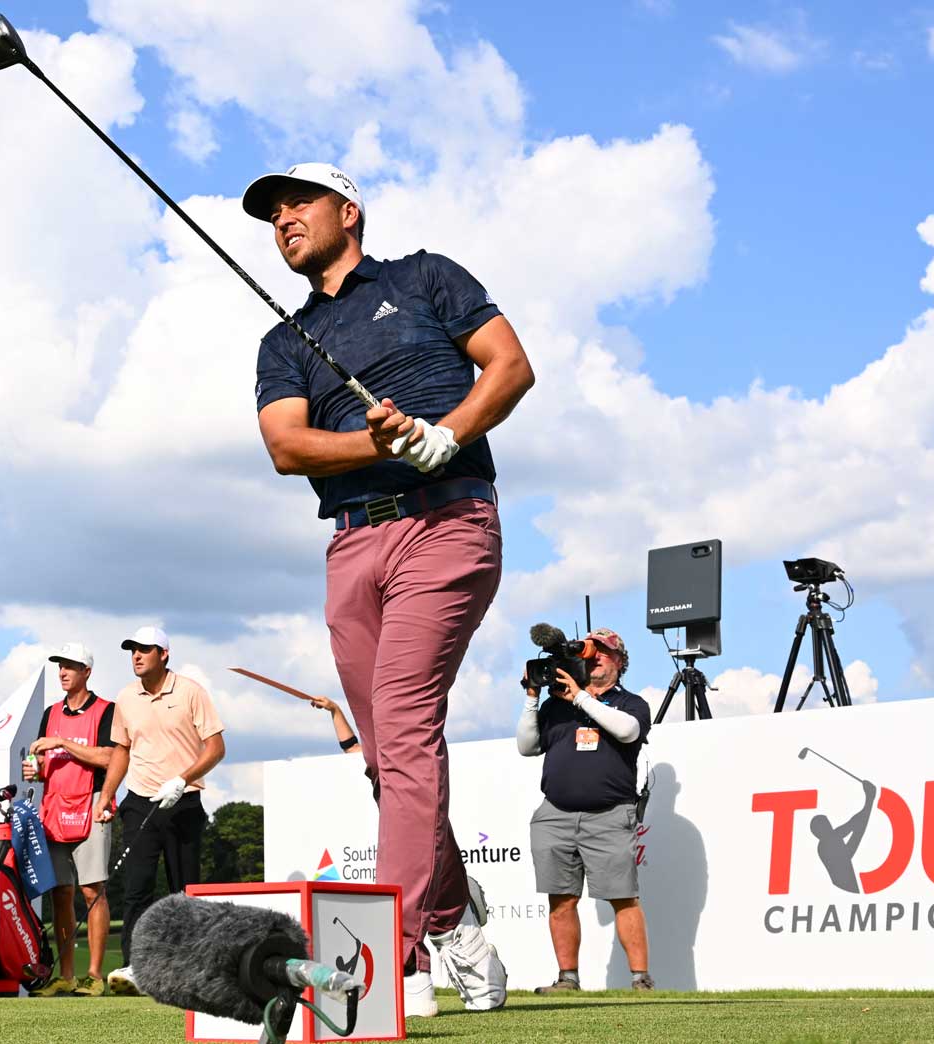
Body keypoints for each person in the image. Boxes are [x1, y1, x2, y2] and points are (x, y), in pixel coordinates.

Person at [242, 162, 534, 1015]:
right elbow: (287, 447)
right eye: (272, 213)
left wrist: (444, 435)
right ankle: (456, 921)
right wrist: (380, 444)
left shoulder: (424, 278)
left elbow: (510, 366)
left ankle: (392, 962)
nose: (283, 219)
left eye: (297, 202)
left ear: (348, 210)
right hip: (350, 545)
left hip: (447, 524)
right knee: (385, 758)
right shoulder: (285, 340)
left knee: (405, 731)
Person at [516, 627, 654, 992]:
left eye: (602, 652)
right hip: (555, 814)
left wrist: (580, 698)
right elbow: (527, 747)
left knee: (623, 898)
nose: (594, 658)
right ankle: (567, 979)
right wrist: (532, 698)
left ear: (619, 661)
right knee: (561, 900)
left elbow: (627, 731)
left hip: (610, 815)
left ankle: (640, 980)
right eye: (588, 653)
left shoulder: (631, 703)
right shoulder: (557, 705)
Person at [96, 626, 226, 997]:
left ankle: (192, 968)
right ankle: (135, 967)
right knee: (136, 888)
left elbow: (216, 748)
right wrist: (107, 794)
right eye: (132, 650)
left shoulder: (190, 692)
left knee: (184, 889)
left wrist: (183, 779)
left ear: (163, 654)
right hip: (140, 802)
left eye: (144, 649)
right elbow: (121, 750)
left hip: (183, 801)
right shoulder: (126, 697)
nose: (136, 656)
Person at [22, 642, 116, 997]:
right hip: (55, 806)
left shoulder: (106, 710)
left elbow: (108, 757)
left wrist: (61, 742)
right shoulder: (50, 713)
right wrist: (36, 770)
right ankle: (66, 975)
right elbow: (44, 764)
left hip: (91, 804)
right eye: (60, 666)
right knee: (61, 893)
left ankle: (94, 975)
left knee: (92, 889)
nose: (62, 672)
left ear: (86, 672)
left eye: (70, 666)